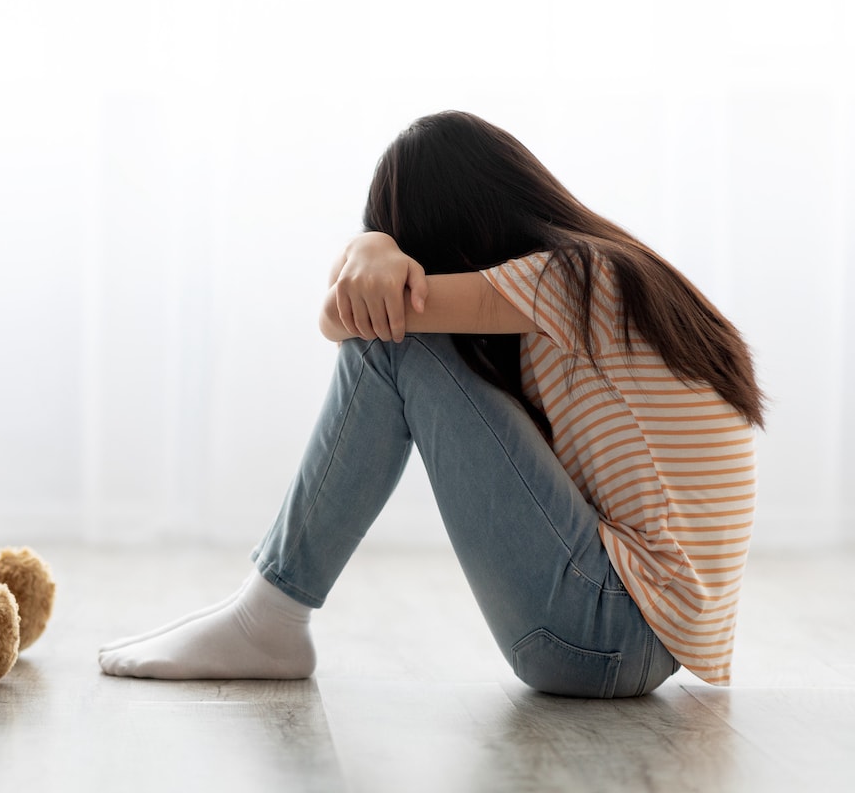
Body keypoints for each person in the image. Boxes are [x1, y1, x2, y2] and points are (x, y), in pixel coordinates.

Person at [98, 111, 764, 697]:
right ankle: (263, 616)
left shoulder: (575, 277)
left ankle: (267, 617)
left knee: (393, 341)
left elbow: (349, 324)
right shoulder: (609, 275)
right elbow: (350, 319)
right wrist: (373, 248)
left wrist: (371, 248)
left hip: (606, 634)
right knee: (390, 333)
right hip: (629, 640)